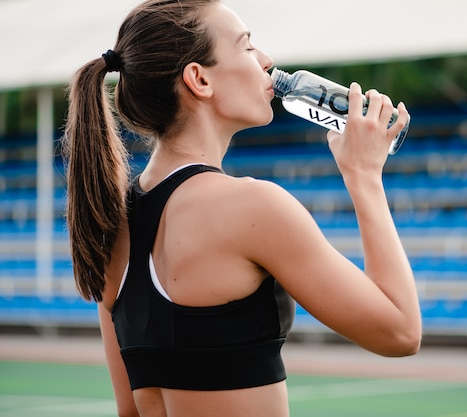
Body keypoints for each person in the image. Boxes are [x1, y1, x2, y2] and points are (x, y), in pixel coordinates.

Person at [63, 0, 421, 416]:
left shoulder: (109, 218)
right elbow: (400, 332)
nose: (266, 61)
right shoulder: (253, 207)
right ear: (199, 79)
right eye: (247, 47)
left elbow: (130, 409)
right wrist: (364, 176)